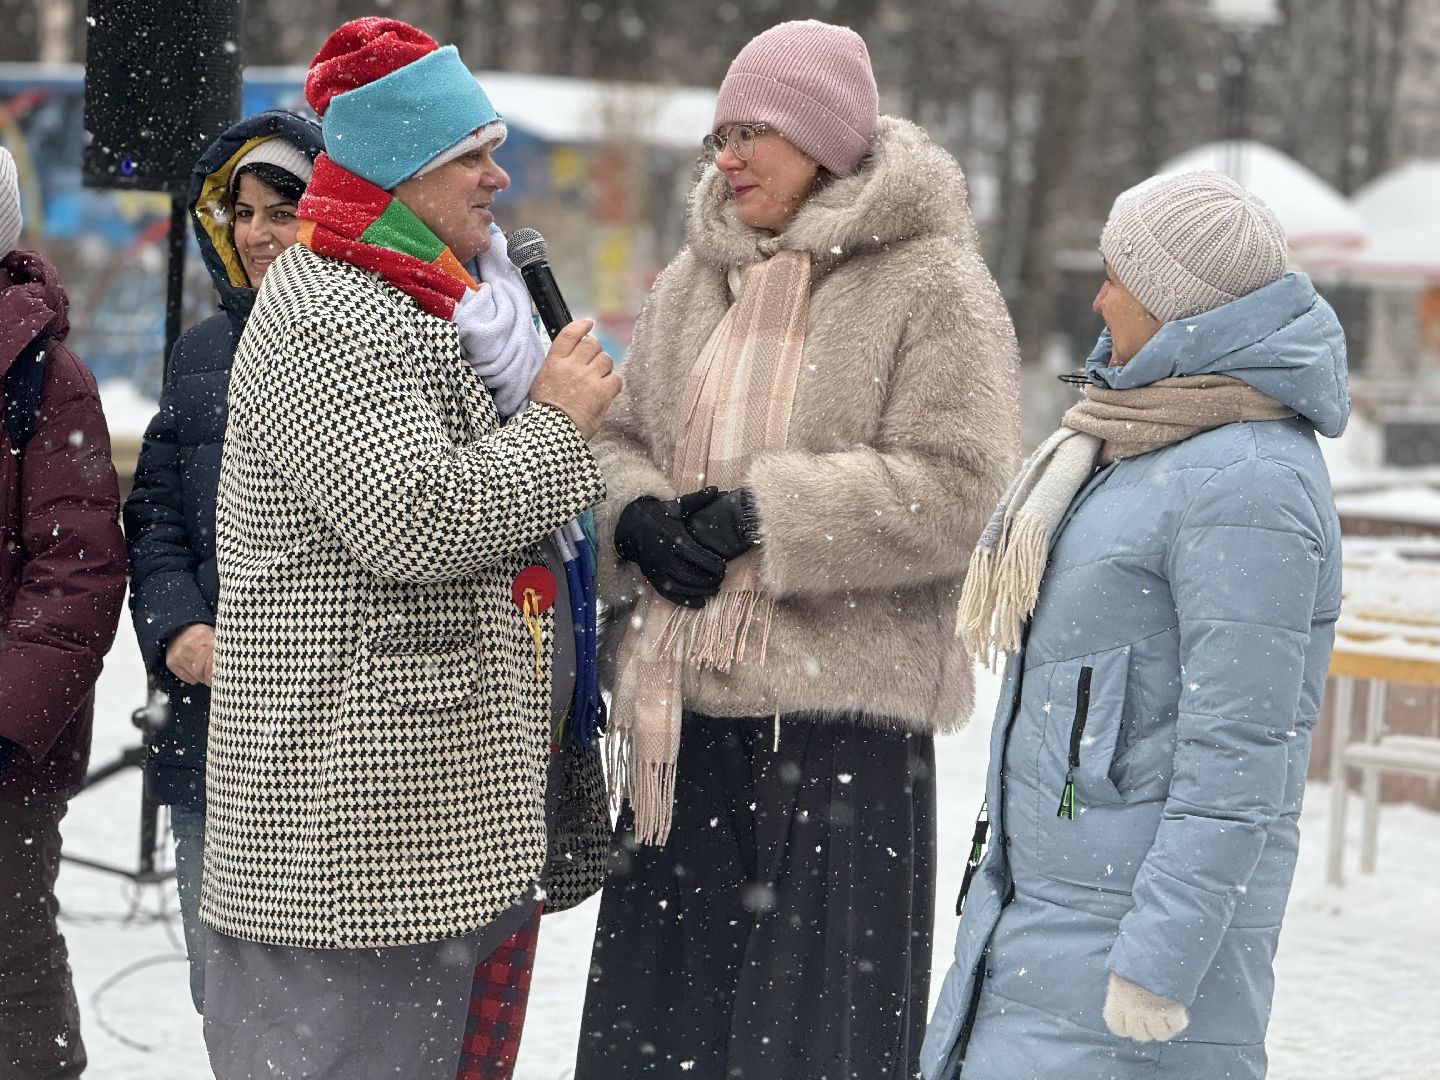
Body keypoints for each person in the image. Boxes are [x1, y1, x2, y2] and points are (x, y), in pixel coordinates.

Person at [575, 20, 1021, 1080]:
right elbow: (619, 437)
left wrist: (769, 518)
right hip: (681, 731)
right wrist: (639, 515)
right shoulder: (696, 280)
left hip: (838, 741)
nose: (724, 158)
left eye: (752, 133)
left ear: (825, 137)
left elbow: (962, 487)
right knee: (657, 1044)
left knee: (813, 1045)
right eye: (719, 134)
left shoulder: (933, 284)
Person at [197, 18, 620, 1080]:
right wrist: (558, 423)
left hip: (417, 828)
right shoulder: (329, 308)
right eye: (474, 154)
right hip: (346, 841)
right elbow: (418, 520)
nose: (499, 174)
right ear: (403, 168)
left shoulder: (433, 294)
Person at [924, 171, 1348, 1080]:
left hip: (1130, 974)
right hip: (1047, 932)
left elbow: (1241, 757)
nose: (1098, 295)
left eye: (1119, 274)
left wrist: (1158, 960)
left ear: (1177, 303)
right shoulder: (1134, 441)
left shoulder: (1248, 483)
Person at [124, 110, 322, 1016]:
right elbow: (156, 510)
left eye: (282, 211)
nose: (255, 234)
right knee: (225, 998)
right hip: (209, 724)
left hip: (329, 739)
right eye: (241, 212)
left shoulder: (371, 339)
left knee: (329, 1007)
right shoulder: (203, 351)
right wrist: (177, 630)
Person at [0, 144, 128, 1078]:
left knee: (11, 970)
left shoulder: (42, 377)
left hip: (2, 763)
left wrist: (6, 727)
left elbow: (79, 573)